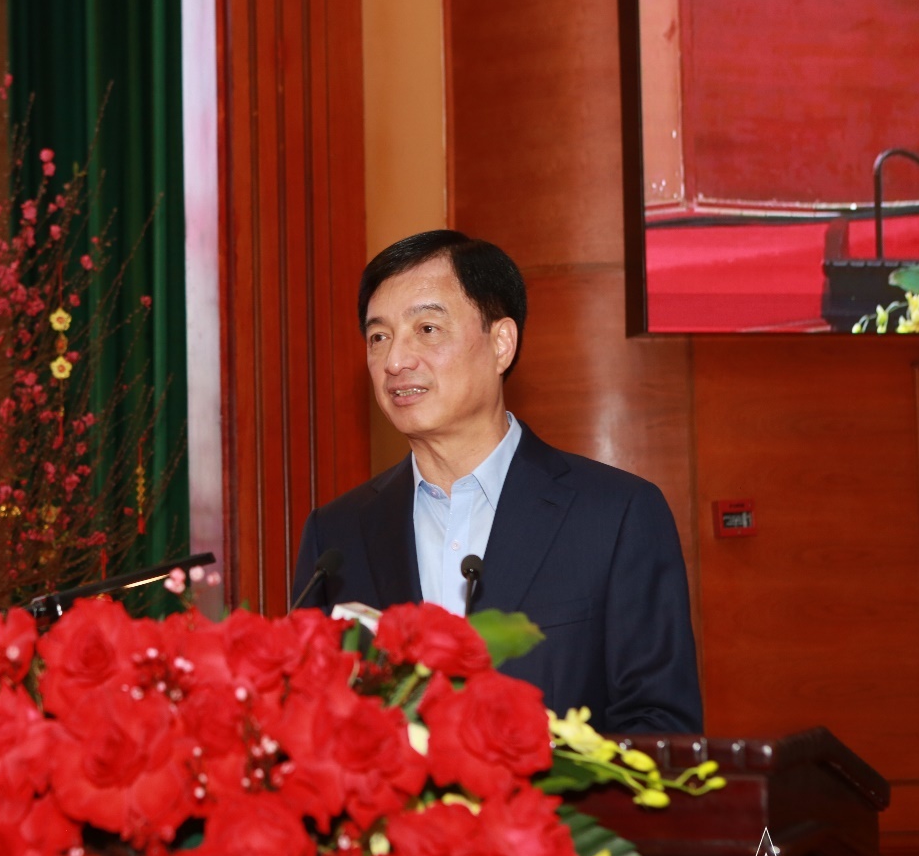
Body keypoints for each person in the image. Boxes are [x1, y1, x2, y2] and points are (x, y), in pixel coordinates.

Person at [291, 230, 702, 734]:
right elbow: (309, 719)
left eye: (427, 328)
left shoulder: (615, 516)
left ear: (501, 343)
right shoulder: (336, 536)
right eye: (379, 337)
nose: (395, 361)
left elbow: (660, 724)